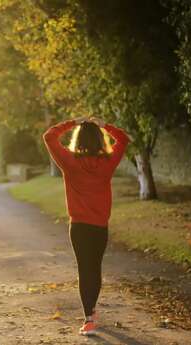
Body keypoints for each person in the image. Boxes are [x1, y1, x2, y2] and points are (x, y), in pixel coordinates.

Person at [43, 116, 130, 336]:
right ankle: (91, 311)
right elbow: (124, 139)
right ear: (100, 140)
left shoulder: (70, 162)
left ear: (77, 138)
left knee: (85, 269)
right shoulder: (107, 162)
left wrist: (73, 122)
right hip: (100, 226)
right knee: (95, 268)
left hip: (79, 227)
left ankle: (89, 318)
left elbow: (49, 136)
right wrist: (105, 125)